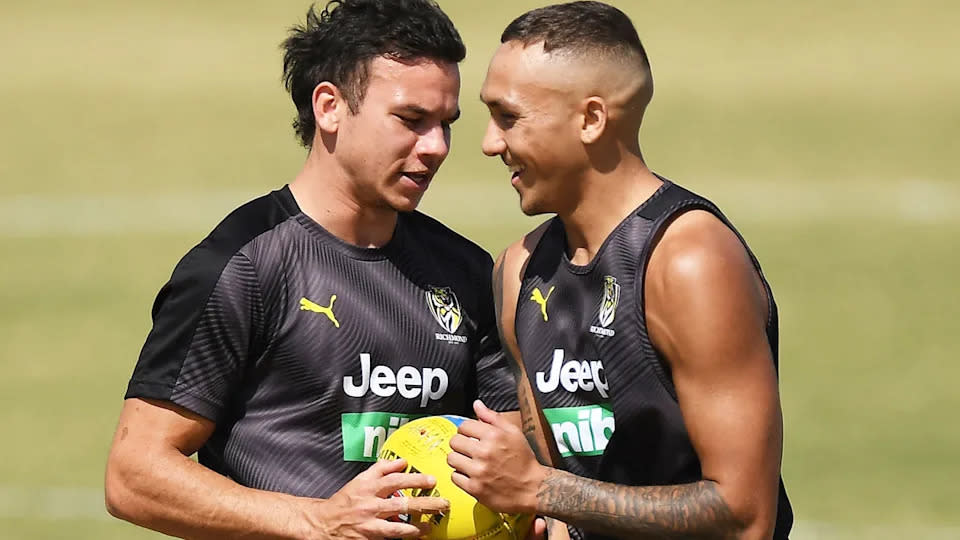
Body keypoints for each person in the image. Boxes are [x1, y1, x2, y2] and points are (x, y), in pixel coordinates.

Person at [103, 1, 522, 538]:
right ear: (329, 107)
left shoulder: (464, 270)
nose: (437, 147)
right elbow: (133, 475)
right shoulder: (241, 267)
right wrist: (320, 521)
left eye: (446, 124)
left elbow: (508, 448)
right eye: (411, 120)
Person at [445, 2, 794, 539]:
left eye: (508, 117)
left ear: (590, 119)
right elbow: (561, 507)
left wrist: (538, 489)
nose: (491, 143)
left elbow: (745, 515)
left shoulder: (688, 262)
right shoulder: (519, 272)